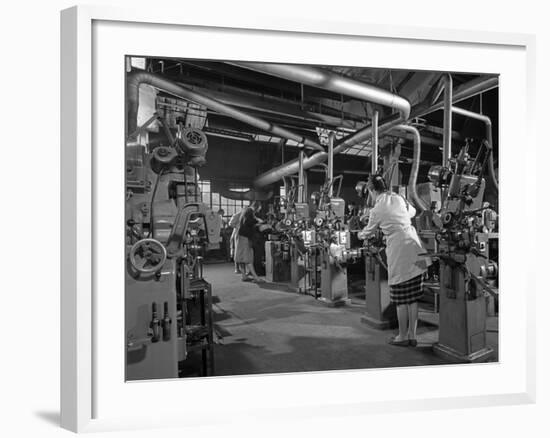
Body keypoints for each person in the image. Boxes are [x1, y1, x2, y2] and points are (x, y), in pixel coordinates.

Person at [358, 174, 431, 347]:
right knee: (412, 299)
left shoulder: (377, 209)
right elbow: (412, 212)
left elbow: (368, 232)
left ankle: (402, 336)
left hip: (399, 252)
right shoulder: (399, 197)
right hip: (415, 248)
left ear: (372, 190)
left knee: (400, 299)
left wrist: (360, 233)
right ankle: (413, 336)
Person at [234, 206, 264, 283]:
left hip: (240, 239)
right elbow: (261, 221)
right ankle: (256, 278)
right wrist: (255, 217)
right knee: (248, 259)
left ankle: (244, 276)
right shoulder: (250, 219)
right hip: (245, 240)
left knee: (241, 258)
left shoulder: (242, 219)